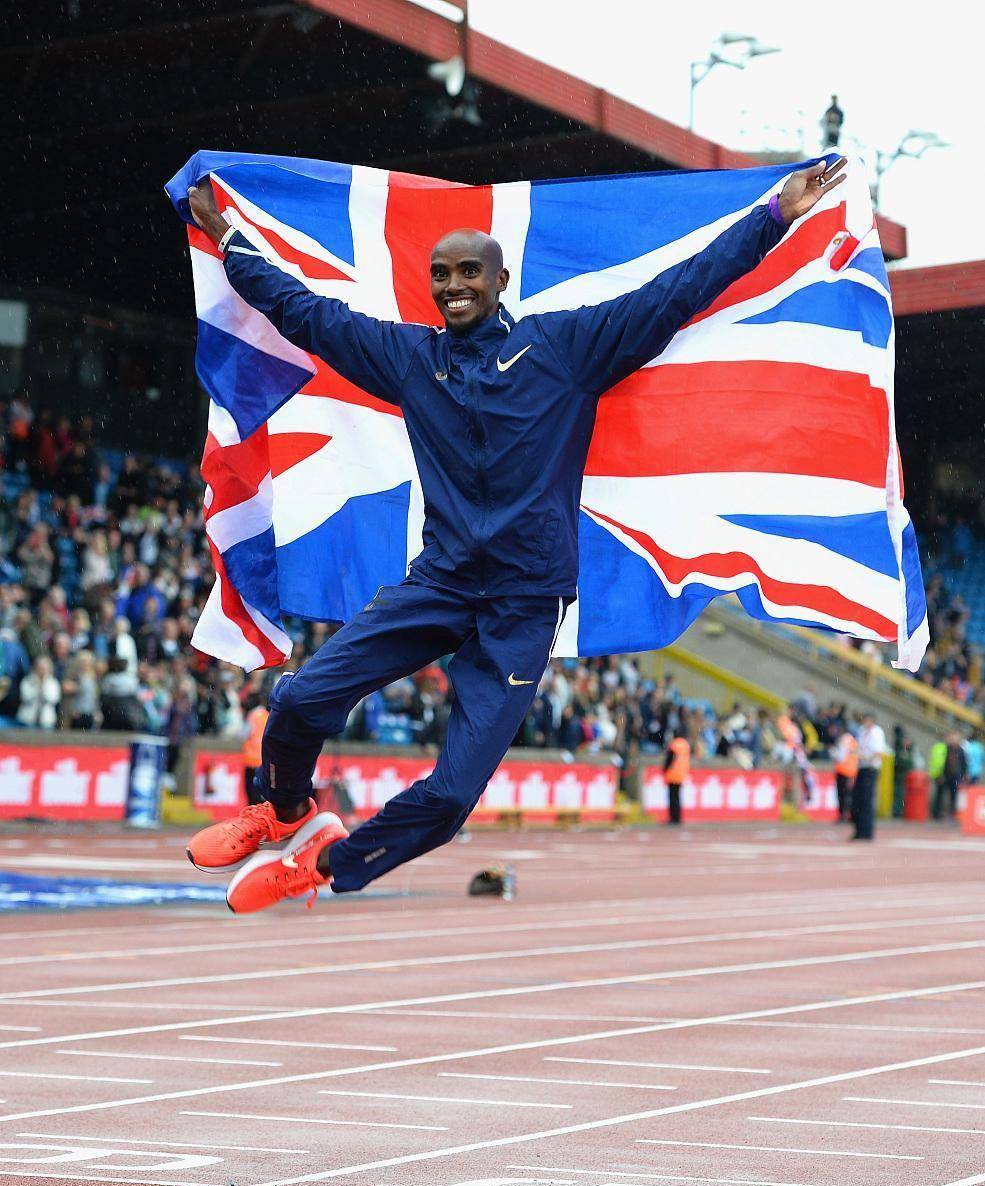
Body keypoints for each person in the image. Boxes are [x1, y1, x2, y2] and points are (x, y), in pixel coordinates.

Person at [184, 157, 847, 914]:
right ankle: (284, 811)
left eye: (470, 272)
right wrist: (230, 240)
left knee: (451, 796)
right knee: (300, 699)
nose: (453, 286)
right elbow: (305, 312)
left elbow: (677, 291)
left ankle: (325, 862)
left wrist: (772, 216)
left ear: (500, 281)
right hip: (440, 582)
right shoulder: (412, 361)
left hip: (524, 606)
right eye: (441, 274)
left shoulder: (566, 350)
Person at [852, 712, 885, 841]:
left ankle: (867, 832)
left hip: (871, 768)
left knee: (867, 801)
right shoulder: (862, 731)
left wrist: (865, 757)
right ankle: (859, 830)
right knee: (857, 800)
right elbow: (859, 747)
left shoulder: (877, 733)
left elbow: (878, 752)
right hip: (861, 767)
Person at [933, 732, 967, 821]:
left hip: (955, 776)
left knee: (954, 795)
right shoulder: (945, 748)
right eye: (952, 738)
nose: (953, 740)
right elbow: (940, 762)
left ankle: (953, 813)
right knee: (940, 794)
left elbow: (963, 764)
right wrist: (939, 774)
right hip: (945, 775)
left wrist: (963, 775)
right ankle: (937, 813)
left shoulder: (960, 750)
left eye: (956, 738)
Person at [663, 733, 691, 825]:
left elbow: (669, 759)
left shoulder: (674, 744)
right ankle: (678, 817)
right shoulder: (685, 744)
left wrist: (665, 769)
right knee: (678, 797)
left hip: (672, 774)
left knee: (672, 797)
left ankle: (673, 818)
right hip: (681, 774)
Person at [832, 727, 858, 822]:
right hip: (852, 771)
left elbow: (840, 756)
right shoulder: (854, 741)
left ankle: (843, 815)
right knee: (849, 794)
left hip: (843, 770)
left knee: (842, 795)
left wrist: (832, 752)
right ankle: (850, 815)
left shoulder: (843, 740)